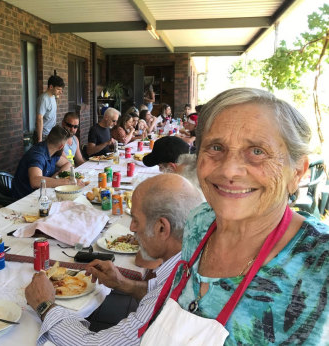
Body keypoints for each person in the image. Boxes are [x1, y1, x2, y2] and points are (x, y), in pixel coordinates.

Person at [139, 88, 329, 345]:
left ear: (297, 172)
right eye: (216, 147)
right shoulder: (199, 223)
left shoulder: (321, 264)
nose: (229, 170)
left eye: (258, 151)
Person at [24, 174, 204, 345]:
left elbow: (94, 344)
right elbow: (159, 290)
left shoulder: (177, 289)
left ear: (162, 228)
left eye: (135, 220)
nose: (132, 228)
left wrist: (45, 305)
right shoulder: (195, 256)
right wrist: (123, 284)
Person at [12, 125, 82, 199]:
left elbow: (68, 164)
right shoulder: (38, 155)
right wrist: (68, 182)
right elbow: (35, 181)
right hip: (24, 198)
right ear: (61, 147)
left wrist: (56, 176)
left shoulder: (52, 152)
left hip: (41, 194)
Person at [35, 74, 65, 143]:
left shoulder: (53, 96)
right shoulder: (44, 99)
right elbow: (39, 118)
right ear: (51, 87)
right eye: (58, 89)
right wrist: (40, 139)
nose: (60, 92)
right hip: (43, 135)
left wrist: (56, 96)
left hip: (50, 133)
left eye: (61, 90)